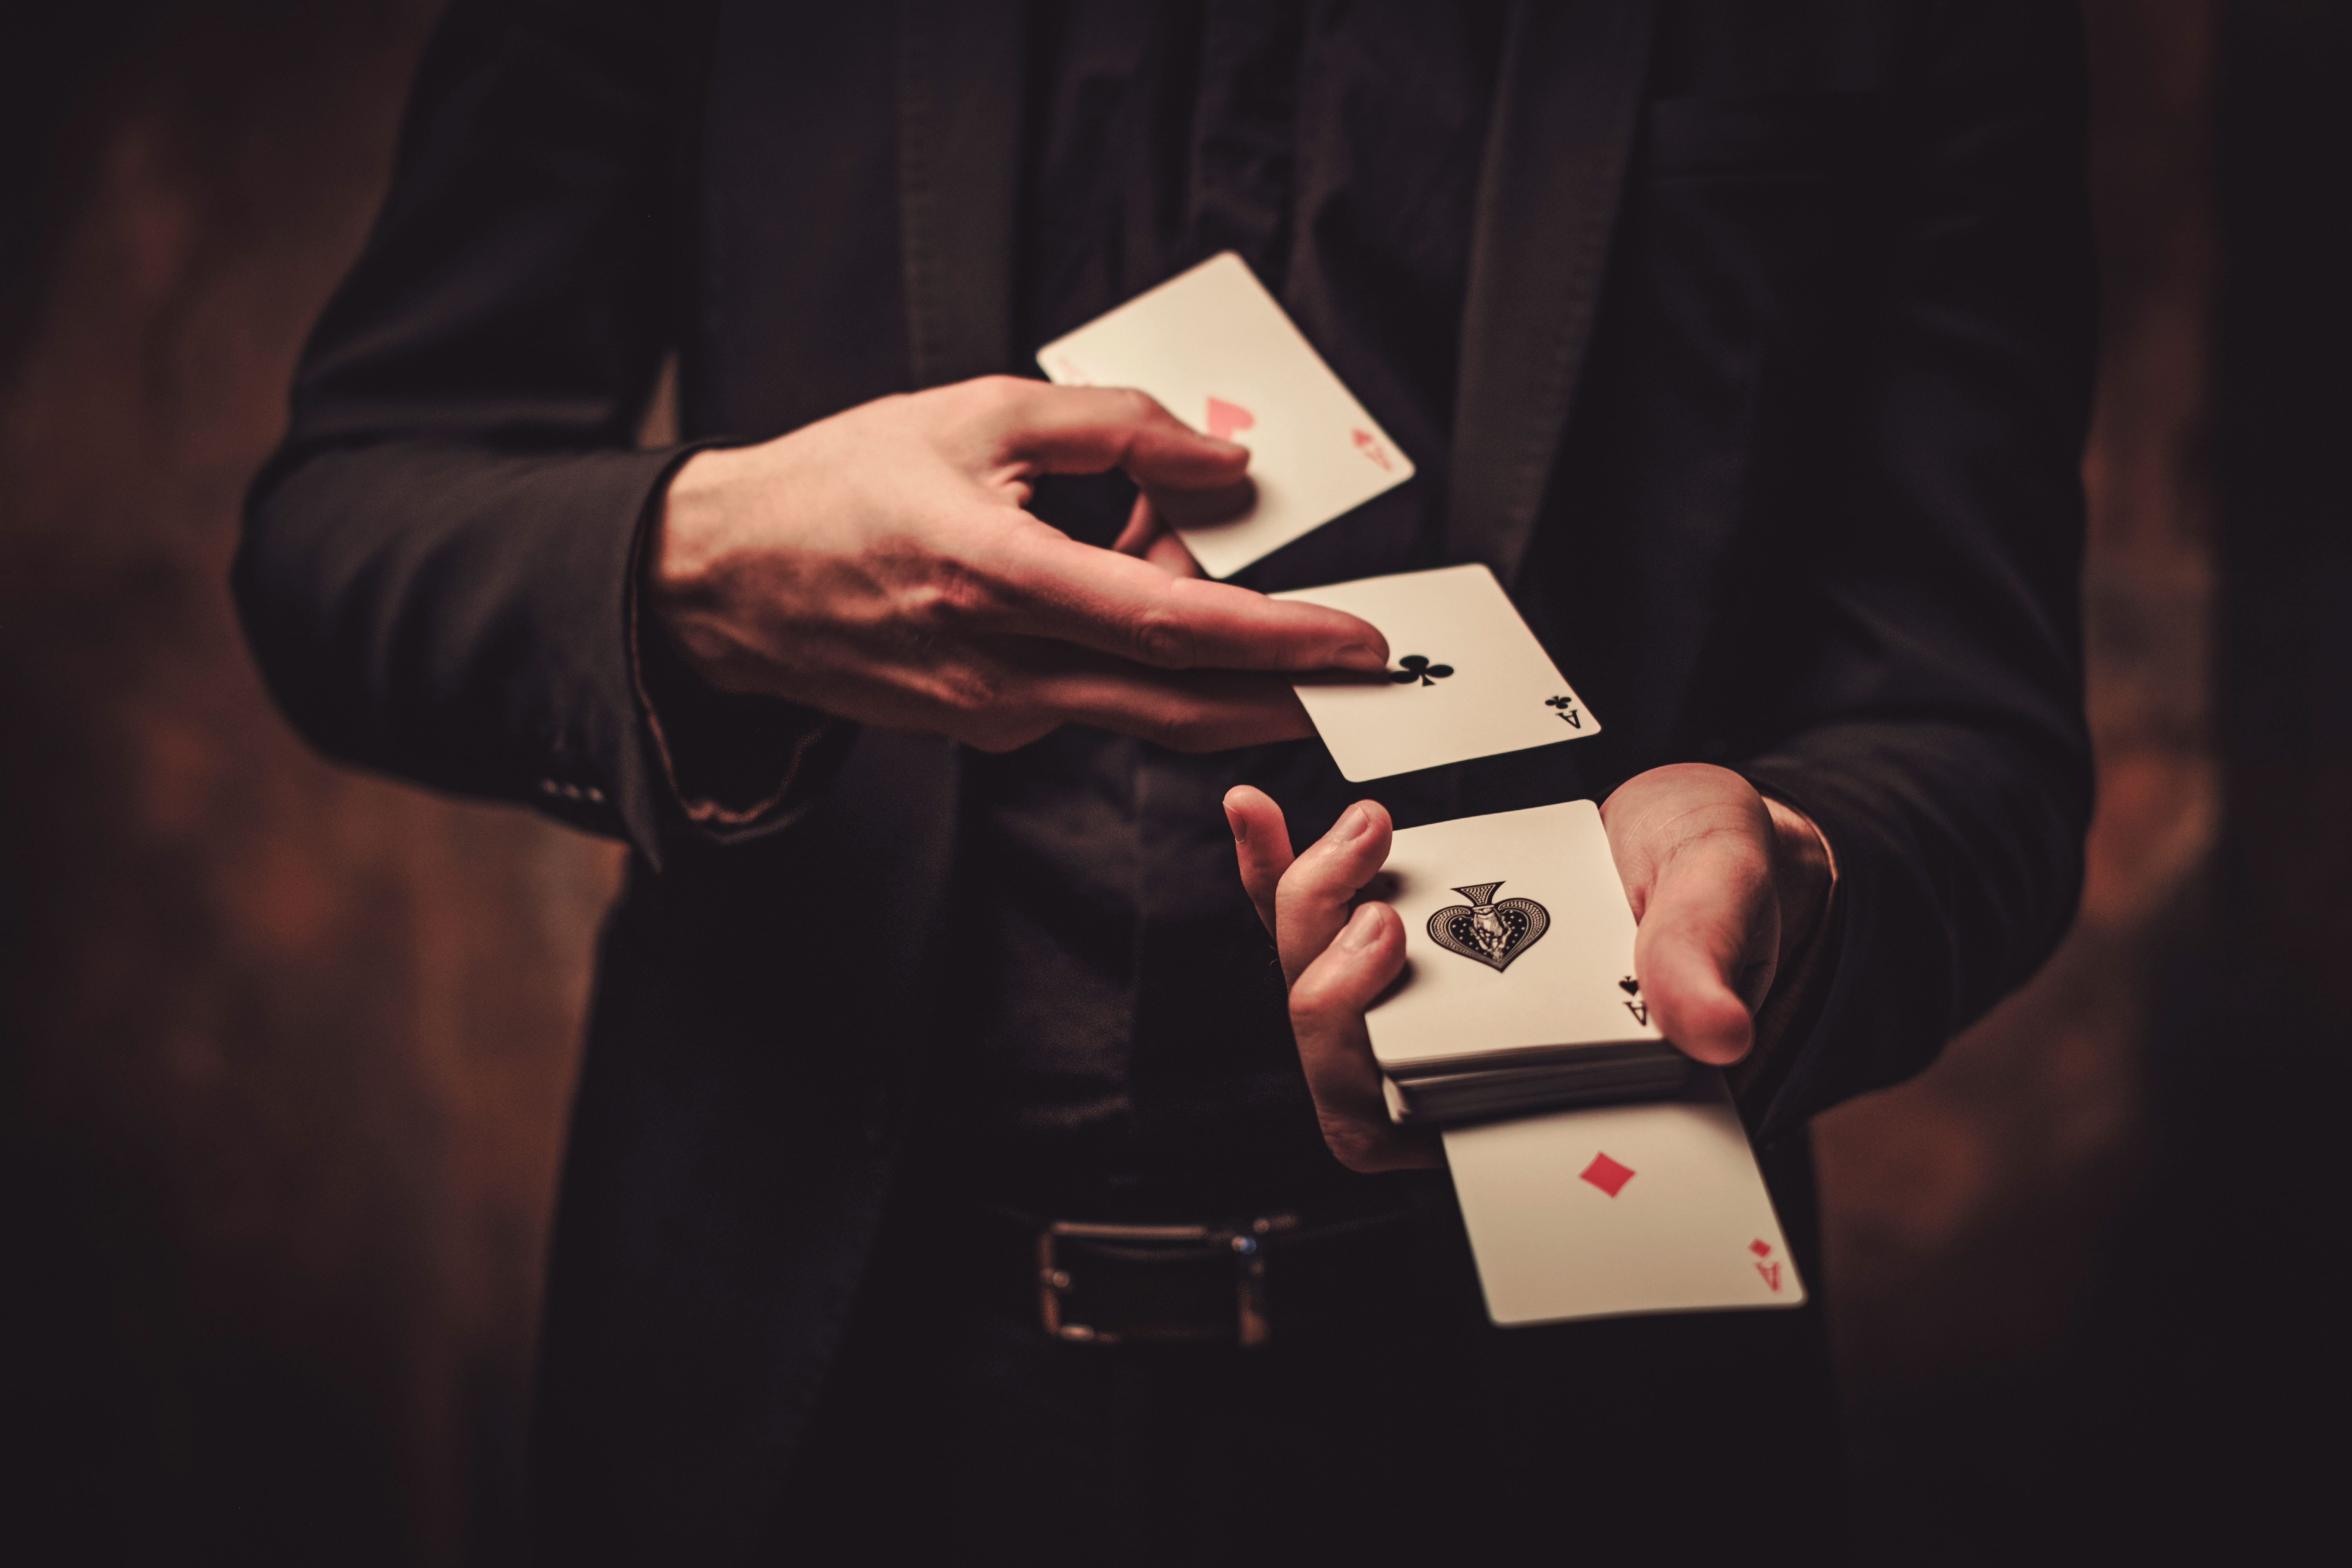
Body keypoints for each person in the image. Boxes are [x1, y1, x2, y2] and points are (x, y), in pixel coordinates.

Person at [235, 1, 2093, 1561]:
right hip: (815, 1389)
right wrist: (702, 566)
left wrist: (1796, 870)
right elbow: (335, 546)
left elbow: (1974, 727)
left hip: (1573, 1420)